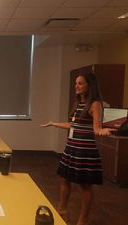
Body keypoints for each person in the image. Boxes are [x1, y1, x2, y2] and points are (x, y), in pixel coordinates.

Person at [40, 73, 115, 225]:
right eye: (76, 83)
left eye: (80, 83)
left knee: (85, 185)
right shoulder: (77, 104)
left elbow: (96, 128)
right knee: (64, 179)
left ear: (89, 85)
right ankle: (62, 210)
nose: (77, 86)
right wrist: (54, 124)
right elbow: (73, 125)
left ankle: (83, 219)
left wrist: (102, 131)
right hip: (71, 148)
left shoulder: (95, 104)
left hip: (85, 151)